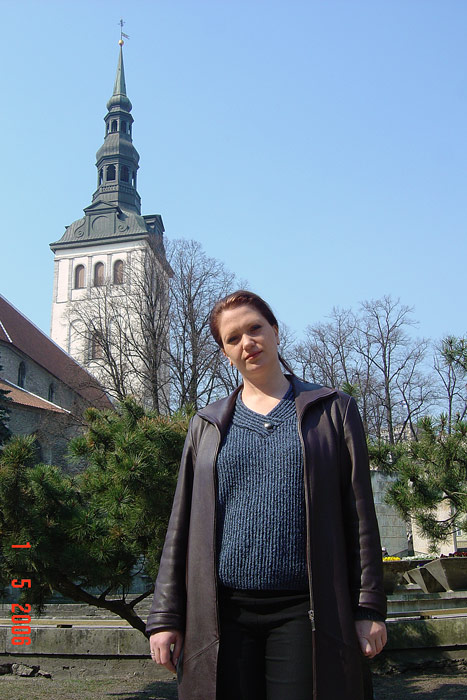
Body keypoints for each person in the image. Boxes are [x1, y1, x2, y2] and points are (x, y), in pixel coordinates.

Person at [146, 290, 387, 700]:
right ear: (226, 354)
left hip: (306, 612)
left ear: (275, 331)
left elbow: (360, 517)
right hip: (222, 615)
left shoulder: (334, 411)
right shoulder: (206, 425)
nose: (247, 342)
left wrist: (367, 608)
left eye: (255, 328)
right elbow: (180, 526)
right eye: (233, 338)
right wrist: (166, 617)